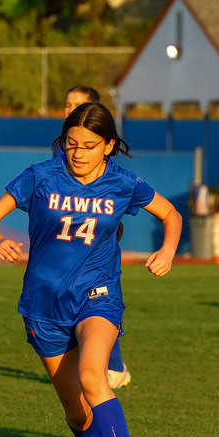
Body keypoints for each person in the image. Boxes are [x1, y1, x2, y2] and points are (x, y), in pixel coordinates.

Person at [0, 102, 182, 437]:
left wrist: (168, 249)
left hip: (98, 293)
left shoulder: (123, 183)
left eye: (89, 145)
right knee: (75, 409)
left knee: (93, 375)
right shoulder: (40, 176)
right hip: (43, 304)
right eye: (71, 143)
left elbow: (170, 213)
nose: (78, 153)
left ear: (108, 146)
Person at [62, 85, 132, 390]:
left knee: (99, 299)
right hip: (64, 247)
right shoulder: (62, 150)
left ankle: (113, 367)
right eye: (67, 105)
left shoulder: (109, 165)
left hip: (95, 241)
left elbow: (167, 211)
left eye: (77, 105)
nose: (70, 110)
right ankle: (97, 366)